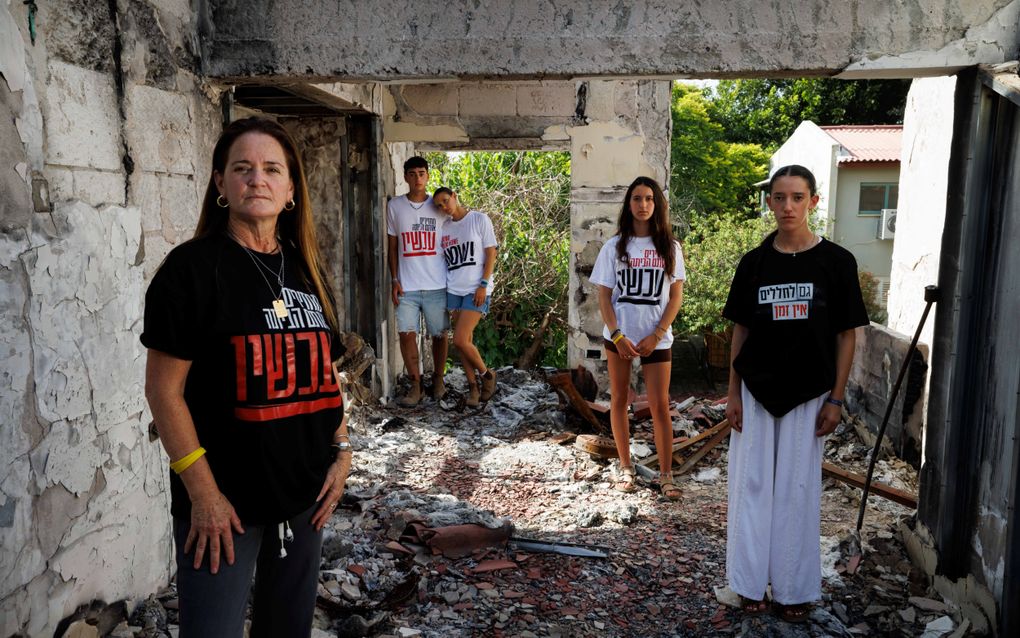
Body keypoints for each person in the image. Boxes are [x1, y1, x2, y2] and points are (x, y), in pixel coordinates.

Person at [142, 117, 352, 638]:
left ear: (290, 188)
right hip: (224, 509)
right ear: (220, 183)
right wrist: (204, 497)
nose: (257, 179)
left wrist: (343, 450)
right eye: (242, 168)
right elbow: (163, 392)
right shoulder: (190, 271)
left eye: (271, 169)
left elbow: (321, 371)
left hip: (306, 498)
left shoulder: (306, 270)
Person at [723, 165, 869, 622]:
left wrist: (836, 398)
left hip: (810, 394)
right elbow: (740, 331)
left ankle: (793, 590)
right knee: (751, 487)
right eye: (779, 197)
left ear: (813, 202)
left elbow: (848, 335)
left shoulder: (837, 262)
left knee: (797, 490)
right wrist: (732, 394)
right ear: (769, 202)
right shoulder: (753, 264)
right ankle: (748, 586)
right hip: (756, 392)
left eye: (797, 197)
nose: (787, 206)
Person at [590, 176, 685, 500]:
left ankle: (666, 475)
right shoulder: (613, 246)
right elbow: (604, 298)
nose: (643, 205)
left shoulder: (670, 247)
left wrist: (657, 334)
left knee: (659, 405)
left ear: (656, 204)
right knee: (619, 400)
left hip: (656, 338)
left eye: (648, 199)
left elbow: (675, 298)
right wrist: (616, 335)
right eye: (636, 199)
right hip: (620, 337)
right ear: (628, 204)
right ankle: (626, 468)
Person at [387, 157, 450, 406]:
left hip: (437, 283)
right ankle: (415, 386)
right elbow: (392, 247)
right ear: (405, 177)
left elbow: (456, 232)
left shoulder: (438, 206)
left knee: (440, 335)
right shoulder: (395, 206)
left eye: (422, 173)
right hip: (407, 285)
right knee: (406, 335)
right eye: (412, 174)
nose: (417, 178)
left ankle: (438, 380)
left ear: (428, 176)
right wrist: (394, 278)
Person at [433, 187, 499, 406]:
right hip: (454, 290)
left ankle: (487, 375)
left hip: (475, 289)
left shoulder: (479, 220)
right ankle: (473, 390)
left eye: (445, 200)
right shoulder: (445, 228)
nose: (444, 207)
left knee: (460, 338)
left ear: (454, 196)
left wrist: (483, 284)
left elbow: (491, 252)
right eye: (439, 205)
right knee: (464, 343)